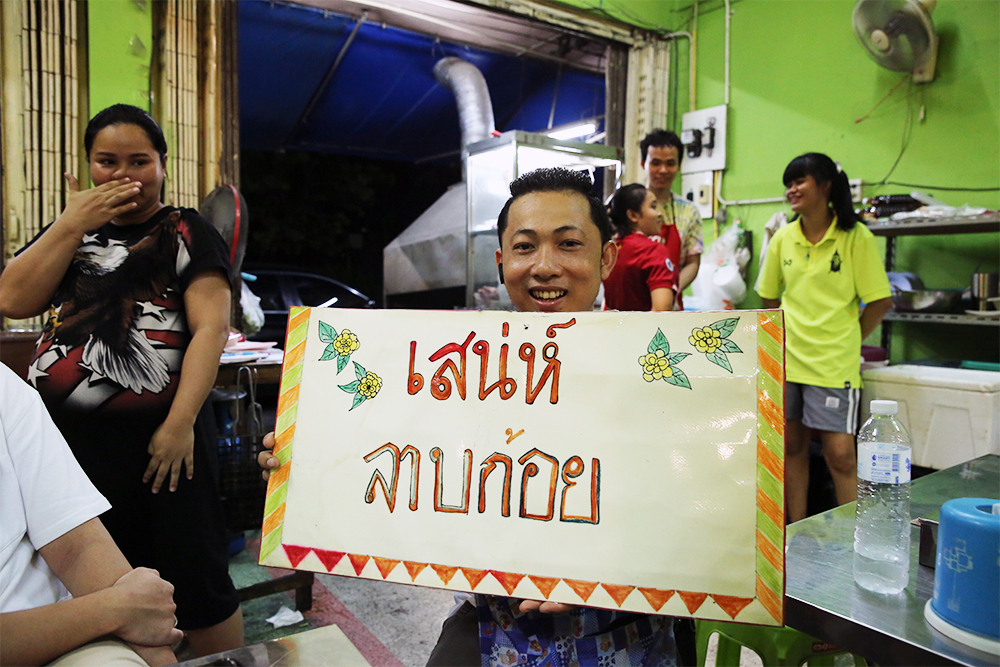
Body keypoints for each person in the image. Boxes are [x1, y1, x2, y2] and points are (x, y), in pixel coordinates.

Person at [261, 168, 676, 667]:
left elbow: (691, 506)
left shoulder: (657, 370)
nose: (544, 266)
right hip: (489, 618)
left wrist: (608, 570)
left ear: (606, 256)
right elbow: (396, 455)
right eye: (525, 247)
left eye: (568, 244)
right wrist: (306, 461)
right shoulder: (460, 368)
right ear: (502, 263)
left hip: (627, 622)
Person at [0, 104, 244, 655]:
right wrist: (69, 224)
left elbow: (211, 327)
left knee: (194, 574)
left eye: (140, 160)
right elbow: (13, 299)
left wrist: (180, 424)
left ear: (163, 165)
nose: (124, 174)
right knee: (98, 576)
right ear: (87, 167)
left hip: (164, 443)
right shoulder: (70, 231)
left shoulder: (185, 229)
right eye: (106, 161)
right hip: (67, 447)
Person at [0, 364, 182, 667]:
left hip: (63, 635)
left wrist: (141, 625)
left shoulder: (6, 388)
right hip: (67, 624)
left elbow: (76, 543)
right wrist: (116, 609)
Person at [756, 153, 892, 523]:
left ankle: (851, 536)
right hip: (789, 361)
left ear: (826, 185)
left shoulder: (855, 237)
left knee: (840, 455)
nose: (792, 190)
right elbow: (768, 295)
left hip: (834, 364)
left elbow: (880, 300)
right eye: (789, 183)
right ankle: (795, 528)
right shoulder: (784, 237)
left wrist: (850, 337)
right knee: (792, 448)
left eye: (801, 181)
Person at [640, 129, 703, 308]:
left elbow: (693, 263)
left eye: (670, 163)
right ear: (643, 163)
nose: (663, 170)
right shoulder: (623, 205)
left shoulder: (689, 212)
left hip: (671, 308)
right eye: (655, 163)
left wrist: (670, 288)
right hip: (627, 306)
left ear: (679, 165)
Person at [603, 183, 680, 312]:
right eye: (653, 206)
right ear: (633, 215)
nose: (659, 213)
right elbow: (661, 310)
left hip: (615, 329)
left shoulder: (611, 251)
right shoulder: (653, 251)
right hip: (646, 330)